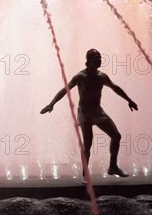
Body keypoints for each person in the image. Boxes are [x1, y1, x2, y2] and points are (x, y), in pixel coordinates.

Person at [40, 48, 138, 177]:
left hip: (98, 112)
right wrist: (51, 104)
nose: (99, 61)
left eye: (100, 58)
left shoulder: (102, 76)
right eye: (96, 59)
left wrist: (129, 100)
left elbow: (115, 88)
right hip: (85, 113)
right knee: (88, 143)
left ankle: (113, 167)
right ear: (89, 61)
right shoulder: (81, 77)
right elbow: (65, 90)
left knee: (116, 136)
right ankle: (85, 173)